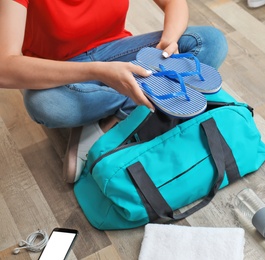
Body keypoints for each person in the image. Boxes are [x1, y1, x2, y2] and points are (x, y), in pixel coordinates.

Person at [0, 0, 228, 183]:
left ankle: (105, 120)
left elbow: (174, 3)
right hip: (62, 70)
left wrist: (170, 40)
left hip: (118, 51)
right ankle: (140, 105)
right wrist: (99, 72)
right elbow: (4, 68)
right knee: (44, 104)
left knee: (210, 42)